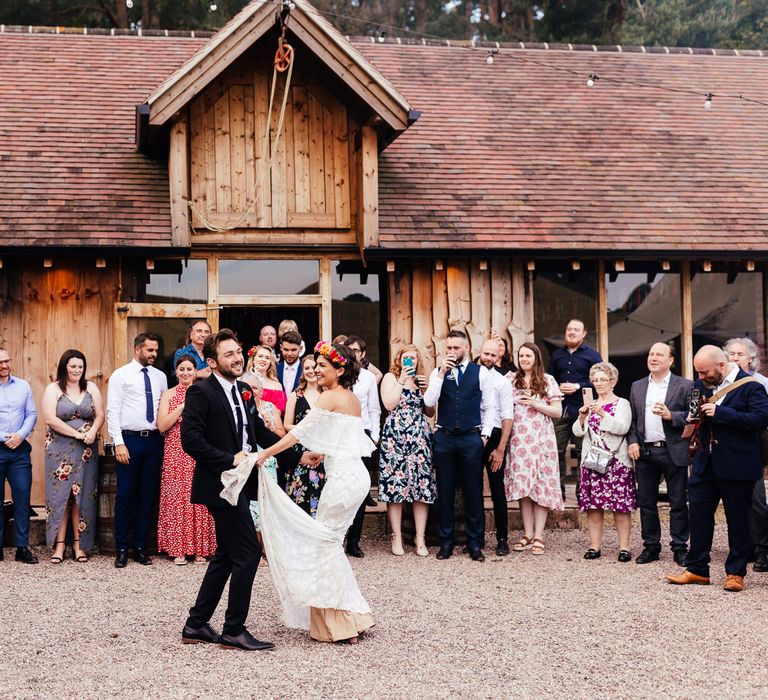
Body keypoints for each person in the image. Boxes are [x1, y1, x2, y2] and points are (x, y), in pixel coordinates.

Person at [179, 328, 314, 651]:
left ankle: (196, 624)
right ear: (211, 362)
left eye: (238, 351)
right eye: (228, 354)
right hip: (220, 485)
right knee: (249, 552)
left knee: (226, 555)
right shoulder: (201, 392)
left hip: (242, 484)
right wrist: (230, 459)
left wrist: (297, 454)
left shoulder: (241, 390)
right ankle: (234, 630)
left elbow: (256, 433)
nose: (237, 358)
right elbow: (191, 441)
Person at [252, 341, 376, 644]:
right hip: (356, 475)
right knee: (331, 544)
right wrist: (321, 451)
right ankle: (352, 617)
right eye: (316, 364)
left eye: (323, 365)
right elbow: (343, 438)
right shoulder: (350, 398)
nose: (317, 369)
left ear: (340, 369)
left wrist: (265, 453)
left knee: (325, 546)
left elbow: (297, 433)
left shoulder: (329, 397)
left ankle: (341, 623)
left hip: (343, 480)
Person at [666, 346, 768, 592]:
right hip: (704, 462)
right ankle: (697, 569)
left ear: (721, 366)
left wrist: (722, 412)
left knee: (738, 520)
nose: (700, 377)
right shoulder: (701, 386)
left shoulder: (751, 385)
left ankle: (735, 572)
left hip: (737, 464)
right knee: (698, 517)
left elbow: (761, 419)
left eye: (704, 372)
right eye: (698, 372)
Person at [423, 329, 495, 562]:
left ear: (467, 348)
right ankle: (446, 543)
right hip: (444, 437)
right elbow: (429, 401)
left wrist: (483, 436)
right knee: (444, 491)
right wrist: (441, 373)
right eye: (449, 348)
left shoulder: (480, 372)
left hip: (470, 438)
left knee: (474, 492)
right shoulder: (438, 371)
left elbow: (489, 407)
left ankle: (475, 543)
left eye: (456, 348)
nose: (452, 351)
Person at [627, 343, 693, 566]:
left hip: (673, 450)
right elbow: (633, 420)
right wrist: (633, 442)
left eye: (659, 355)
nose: (653, 358)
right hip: (645, 451)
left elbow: (693, 417)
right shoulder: (637, 386)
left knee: (677, 502)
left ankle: (679, 547)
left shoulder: (685, 385)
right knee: (646, 502)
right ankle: (651, 546)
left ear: (670, 360)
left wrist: (670, 415)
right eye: (651, 354)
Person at [106, 332, 167, 568]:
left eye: (156, 350)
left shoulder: (161, 376)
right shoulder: (121, 375)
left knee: (147, 497)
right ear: (137, 349)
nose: (154, 354)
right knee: (125, 496)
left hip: (153, 441)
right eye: (150, 350)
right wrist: (118, 442)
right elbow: (113, 410)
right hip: (129, 441)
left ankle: (141, 547)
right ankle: (121, 548)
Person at [42, 349, 103, 563]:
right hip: (59, 450)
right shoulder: (54, 388)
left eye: (80, 366)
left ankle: (79, 544)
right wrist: (77, 433)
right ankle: (59, 546)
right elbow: (50, 418)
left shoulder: (91, 387)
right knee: (61, 496)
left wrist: (93, 431)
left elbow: (100, 414)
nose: (77, 370)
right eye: (72, 366)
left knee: (83, 495)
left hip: (87, 450)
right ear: (64, 367)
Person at [157, 354, 216, 566]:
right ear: (175, 371)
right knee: (177, 497)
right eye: (181, 369)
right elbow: (162, 425)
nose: (185, 373)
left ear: (195, 371)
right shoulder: (169, 394)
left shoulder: (203, 392)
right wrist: (181, 407)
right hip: (175, 450)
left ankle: (201, 548)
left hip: (197, 450)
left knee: (199, 497)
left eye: (189, 369)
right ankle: (178, 548)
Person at [505, 342, 563, 555]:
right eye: (521, 356)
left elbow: (558, 412)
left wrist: (536, 404)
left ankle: (539, 534)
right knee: (524, 488)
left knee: (541, 485)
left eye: (528, 355)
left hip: (542, 440)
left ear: (536, 357)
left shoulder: (547, 380)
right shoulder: (511, 379)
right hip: (519, 440)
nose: (524, 359)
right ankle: (527, 533)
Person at [573, 362, 635, 561]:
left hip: (616, 462)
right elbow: (578, 432)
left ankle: (624, 547)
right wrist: (582, 417)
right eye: (595, 380)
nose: (599, 383)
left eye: (603, 380)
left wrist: (602, 413)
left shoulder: (622, 403)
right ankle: (594, 546)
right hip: (593, 462)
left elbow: (622, 427)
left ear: (613, 382)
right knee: (593, 506)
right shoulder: (590, 405)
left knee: (620, 506)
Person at [379, 345, 435, 557]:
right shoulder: (391, 378)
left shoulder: (421, 380)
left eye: (413, 358)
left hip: (419, 437)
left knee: (421, 485)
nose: (409, 361)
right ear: (399, 359)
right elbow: (389, 405)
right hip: (395, 437)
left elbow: (430, 412)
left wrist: (426, 391)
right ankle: (396, 536)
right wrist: (402, 380)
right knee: (396, 486)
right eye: (406, 358)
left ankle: (419, 537)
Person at [724, 337, 768, 572]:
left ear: (751, 358)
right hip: (728, 451)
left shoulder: (761, 383)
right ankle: (746, 547)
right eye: (731, 354)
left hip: (754, 449)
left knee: (757, 501)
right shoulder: (720, 384)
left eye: (740, 354)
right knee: (738, 502)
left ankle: (763, 549)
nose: (734, 358)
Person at [548, 319, 602, 500]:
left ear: (584, 333)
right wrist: (557, 388)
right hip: (560, 410)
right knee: (555, 450)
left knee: (583, 452)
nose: (571, 332)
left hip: (583, 410)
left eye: (576, 329)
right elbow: (549, 380)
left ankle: (582, 493)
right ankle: (558, 492)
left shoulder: (593, 356)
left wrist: (578, 386)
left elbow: (600, 381)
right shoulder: (556, 356)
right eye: (569, 328)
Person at [342, 335, 381, 557]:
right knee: (341, 485)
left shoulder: (367, 378)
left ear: (362, 354)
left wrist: (374, 436)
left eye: (356, 350)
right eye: (348, 349)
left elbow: (374, 409)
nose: (352, 353)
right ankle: (338, 535)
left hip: (363, 434)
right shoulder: (337, 375)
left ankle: (354, 540)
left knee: (360, 488)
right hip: (341, 434)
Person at [0, 347, 38, 564]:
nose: (4, 366)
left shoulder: (23, 386)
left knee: (22, 498)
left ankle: (22, 548)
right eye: (0, 363)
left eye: (7, 361)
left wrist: (21, 436)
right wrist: (4, 437)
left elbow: (31, 413)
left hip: (19, 451)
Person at [477, 339, 514, 555]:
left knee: (497, 489)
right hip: (474, 435)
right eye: (486, 354)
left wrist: (500, 448)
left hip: (495, 438)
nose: (489, 358)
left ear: (498, 356)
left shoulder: (503, 382)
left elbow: (507, 417)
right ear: (479, 353)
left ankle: (502, 538)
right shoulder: (472, 377)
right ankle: (477, 537)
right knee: (474, 488)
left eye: (493, 355)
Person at [284, 355, 326, 518]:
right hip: (301, 449)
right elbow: (287, 424)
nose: (311, 371)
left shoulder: (327, 394)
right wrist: (306, 430)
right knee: (299, 496)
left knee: (322, 493)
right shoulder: (296, 395)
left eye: (313, 367)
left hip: (322, 449)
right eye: (306, 368)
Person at [242, 372, 286, 438]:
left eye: (255, 388)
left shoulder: (270, 407)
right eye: (247, 387)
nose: (251, 391)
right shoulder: (236, 406)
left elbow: (282, 435)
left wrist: (271, 427)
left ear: (261, 391)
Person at [246, 345, 287, 414]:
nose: (263, 360)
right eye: (260, 356)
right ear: (253, 359)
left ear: (270, 363)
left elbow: (278, 414)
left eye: (267, 358)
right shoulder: (242, 380)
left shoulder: (277, 386)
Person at [277, 330, 303, 396]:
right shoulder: (275, 369)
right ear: (281, 347)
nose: (289, 354)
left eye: (293, 350)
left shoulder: (305, 369)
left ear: (300, 348)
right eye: (286, 350)